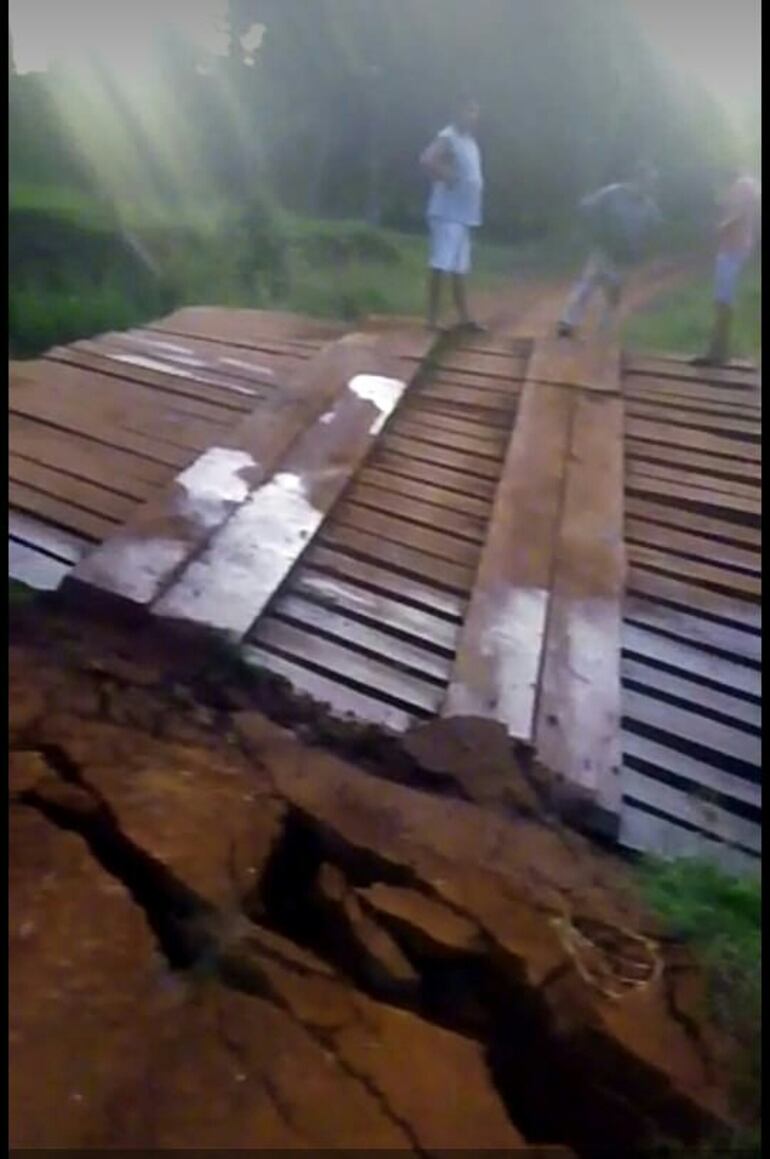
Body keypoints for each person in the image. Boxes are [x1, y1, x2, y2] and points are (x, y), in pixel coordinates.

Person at [557, 163, 661, 339]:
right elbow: (587, 206)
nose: (649, 186)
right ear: (636, 179)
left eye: (651, 183)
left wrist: (646, 250)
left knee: (614, 293)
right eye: (647, 181)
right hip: (604, 248)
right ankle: (568, 323)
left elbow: (655, 228)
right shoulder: (613, 193)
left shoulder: (648, 205)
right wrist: (593, 229)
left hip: (626, 254)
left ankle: (605, 330)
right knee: (587, 285)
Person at [420, 97, 485, 333]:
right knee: (441, 264)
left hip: (464, 214)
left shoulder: (469, 141)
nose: (472, 116)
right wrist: (446, 176)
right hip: (447, 213)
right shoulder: (448, 137)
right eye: (468, 110)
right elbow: (427, 159)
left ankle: (464, 317)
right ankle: (432, 319)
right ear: (457, 112)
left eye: (475, 111)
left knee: (460, 268)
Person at [692, 168, 761, 367]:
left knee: (723, 301)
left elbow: (738, 215)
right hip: (737, 247)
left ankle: (717, 352)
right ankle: (717, 350)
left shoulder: (742, 186)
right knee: (724, 300)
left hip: (732, 248)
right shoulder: (749, 185)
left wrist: (718, 228)